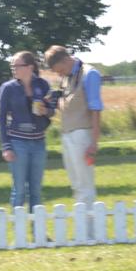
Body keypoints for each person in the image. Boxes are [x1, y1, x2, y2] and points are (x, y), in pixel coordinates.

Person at [45, 45, 105, 206]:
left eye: (60, 70)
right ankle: (83, 227)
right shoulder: (67, 77)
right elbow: (70, 104)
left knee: (85, 186)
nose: (59, 74)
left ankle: (90, 230)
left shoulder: (89, 74)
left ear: (66, 59)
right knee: (76, 185)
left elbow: (96, 109)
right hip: (67, 135)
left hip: (82, 135)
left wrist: (94, 142)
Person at [0, 52, 51, 211]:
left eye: (17, 65)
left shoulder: (42, 85)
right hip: (17, 143)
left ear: (30, 67)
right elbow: (0, 118)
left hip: (39, 143)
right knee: (19, 189)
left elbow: (52, 110)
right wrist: (6, 147)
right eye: (12, 66)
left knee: (36, 190)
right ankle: (18, 233)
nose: (13, 69)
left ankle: (37, 233)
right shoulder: (8, 88)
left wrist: (46, 111)